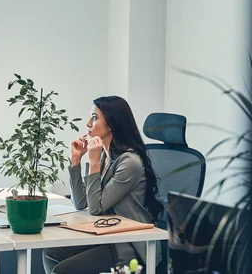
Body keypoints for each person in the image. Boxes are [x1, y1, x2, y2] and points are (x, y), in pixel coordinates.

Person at [43, 96, 163, 274]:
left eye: (94, 117)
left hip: (127, 243)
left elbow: (95, 208)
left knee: (64, 270)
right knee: (50, 254)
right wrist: (75, 160)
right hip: (106, 234)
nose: (87, 124)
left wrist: (93, 163)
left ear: (111, 124)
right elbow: (81, 203)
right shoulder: (105, 156)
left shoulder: (130, 162)